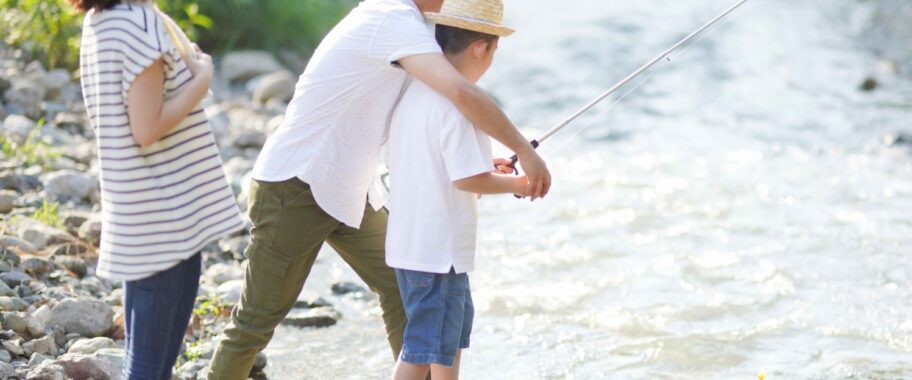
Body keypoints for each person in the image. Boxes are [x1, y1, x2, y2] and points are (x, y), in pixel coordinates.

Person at [207, 0, 552, 377]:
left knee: (402, 288)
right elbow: (462, 93)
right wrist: (524, 152)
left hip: (347, 189)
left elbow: (418, 126)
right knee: (256, 321)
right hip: (297, 185)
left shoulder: (407, 27)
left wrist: (476, 165)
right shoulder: (392, 19)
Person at [70, 0, 245, 378]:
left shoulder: (101, 20)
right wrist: (201, 79)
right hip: (167, 219)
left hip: (139, 215)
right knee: (150, 369)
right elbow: (146, 128)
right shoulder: (139, 23)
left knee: (148, 365)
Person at [381, 0, 519, 378]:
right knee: (421, 349)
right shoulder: (461, 105)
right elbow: (467, 180)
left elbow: (437, 164)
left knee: (446, 342)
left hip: (415, 248)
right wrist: (520, 183)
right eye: (494, 49)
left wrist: (490, 166)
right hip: (438, 254)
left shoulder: (415, 92)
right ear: (481, 48)